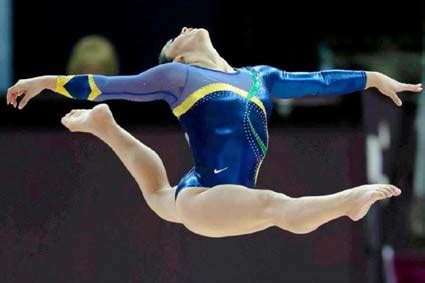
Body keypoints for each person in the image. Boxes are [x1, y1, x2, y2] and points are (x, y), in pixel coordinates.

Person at [6, 27, 422, 238]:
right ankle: (346, 203)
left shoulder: (260, 78)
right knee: (273, 206)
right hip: (205, 197)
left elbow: (320, 80)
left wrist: (371, 78)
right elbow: (103, 86)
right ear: (178, 54)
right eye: (175, 37)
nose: (184, 29)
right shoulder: (178, 75)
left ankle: (106, 128)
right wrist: (46, 81)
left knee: (157, 195)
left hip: (209, 193)